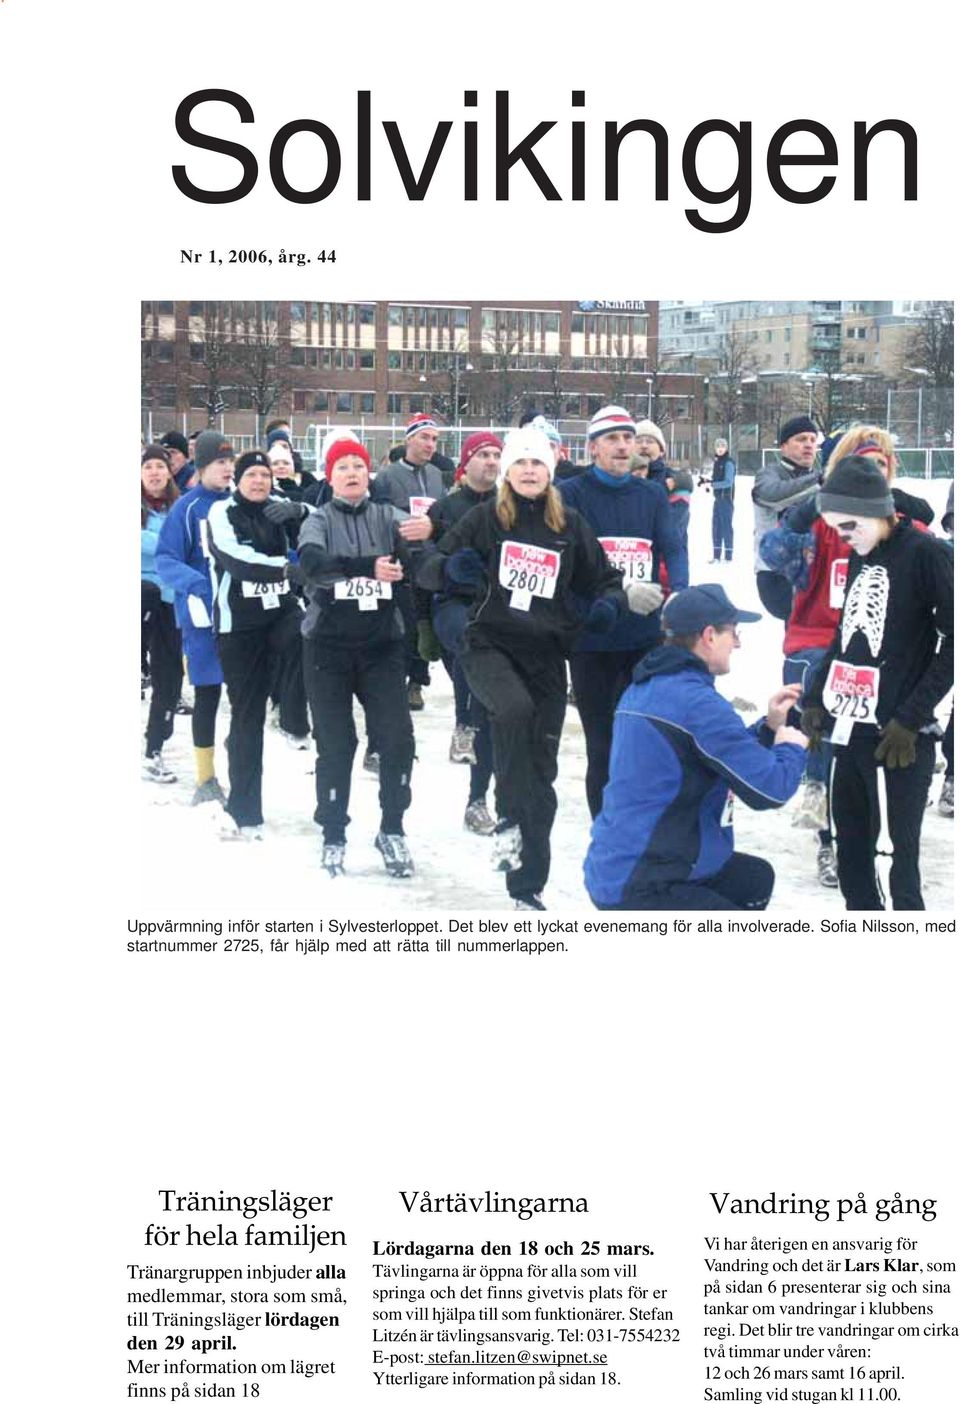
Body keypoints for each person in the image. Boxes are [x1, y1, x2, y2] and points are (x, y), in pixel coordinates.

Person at [417, 426, 628, 911]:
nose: (529, 471)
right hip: (487, 643)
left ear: (549, 471)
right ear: (508, 473)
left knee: (542, 775)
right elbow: (428, 566)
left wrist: (608, 607)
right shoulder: (483, 518)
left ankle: (527, 886)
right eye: (520, 464)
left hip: (547, 653)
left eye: (537, 464)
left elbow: (607, 580)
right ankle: (508, 817)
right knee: (512, 711)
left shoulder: (569, 524)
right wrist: (451, 571)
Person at [760, 425, 936, 890]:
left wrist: (914, 714)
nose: (871, 475)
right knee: (855, 850)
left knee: (899, 852)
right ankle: (826, 830)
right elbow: (774, 557)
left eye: (881, 467)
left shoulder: (913, 540)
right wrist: (818, 695)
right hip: (826, 660)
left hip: (890, 687)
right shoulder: (835, 529)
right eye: (861, 465)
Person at [584, 585, 809, 911]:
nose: (738, 643)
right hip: (644, 881)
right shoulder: (696, 703)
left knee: (754, 878)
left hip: (621, 864)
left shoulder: (649, 685)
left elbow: (712, 751)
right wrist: (791, 748)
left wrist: (769, 727)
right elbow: (768, 791)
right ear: (708, 636)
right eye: (733, 632)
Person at [802, 458, 953, 911]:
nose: (843, 536)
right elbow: (846, 635)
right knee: (853, 862)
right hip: (849, 732)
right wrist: (816, 698)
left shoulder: (926, 555)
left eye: (848, 525)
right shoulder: (858, 553)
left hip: (898, 741)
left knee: (893, 865)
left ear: (875, 511)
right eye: (835, 528)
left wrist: (911, 718)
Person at [296, 438, 433, 877]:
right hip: (327, 647)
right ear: (329, 476)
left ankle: (392, 828)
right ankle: (333, 831)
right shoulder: (318, 519)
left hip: (381, 647)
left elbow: (420, 540)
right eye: (343, 467)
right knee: (336, 744)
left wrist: (425, 537)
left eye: (359, 466)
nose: (353, 473)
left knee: (396, 739)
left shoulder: (385, 515)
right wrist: (367, 567)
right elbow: (313, 564)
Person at [557, 404, 689, 817]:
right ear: (593, 448)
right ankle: (606, 825)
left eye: (628, 438)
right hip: (593, 639)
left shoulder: (650, 494)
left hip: (642, 636)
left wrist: (681, 595)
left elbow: (672, 546)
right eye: (612, 439)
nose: (622, 446)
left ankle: (640, 819)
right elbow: (566, 562)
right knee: (602, 743)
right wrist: (615, 588)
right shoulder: (572, 495)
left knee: (642, 737)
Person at [205, 450, 307, 838]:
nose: (260, 481)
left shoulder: (280, 504)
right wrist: (284, 568)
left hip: (280, 611)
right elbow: (236, 558)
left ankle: (294, 719)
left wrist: (299, 510)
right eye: (252, 475)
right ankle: (245, 809)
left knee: (306, 635)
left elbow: (321, 519)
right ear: (239, 480)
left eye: (266, 475)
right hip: (239, 625)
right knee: (247, 716)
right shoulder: (221, 513)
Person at [426, 432, 503, 833]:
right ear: (466, 462)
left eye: (497, 455)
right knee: (472, 652)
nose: (491, 462)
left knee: (495, 705)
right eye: (484, 455)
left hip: (498, 609)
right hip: (455, 606)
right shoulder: (446, 507)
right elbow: (424, 564)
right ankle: (464, 723)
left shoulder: (509, 508)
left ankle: (486, 797)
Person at [155, 430, 235, 804]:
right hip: (202, 619)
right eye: (220, 462)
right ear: (201, 467)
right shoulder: (186, 508)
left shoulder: (238, 504)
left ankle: (243, 772)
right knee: (207, 694)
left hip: (240, 617)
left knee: (245, 696)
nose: (227, 468)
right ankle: (205, 777)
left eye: (230, 461)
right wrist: (197, 585)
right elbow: (166, 560)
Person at [372, 413, 447, 710]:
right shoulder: (389, 477)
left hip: (431, 559)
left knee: (425, 623)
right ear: (409, 440)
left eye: (434, 440)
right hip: (402, 560)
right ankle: (396, 677)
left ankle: (417, 681)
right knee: (405, 623)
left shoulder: (436, 476)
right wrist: (410, 521)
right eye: (424, 438)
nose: (430, 445)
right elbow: (380, 513)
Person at [752, 415, 821, 619]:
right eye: (801, 439)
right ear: (783, 446)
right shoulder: (768, 474)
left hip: (813, 570)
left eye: (812, 439)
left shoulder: (818, 478)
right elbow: (771, 495)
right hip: (775, 575)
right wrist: (820, 481)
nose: (808, 444)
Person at [141, 446, 181, 782]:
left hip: (172, 600)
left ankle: (155, 747)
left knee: (170, 680)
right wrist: (167, 544)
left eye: (160, 466)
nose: (154, 473)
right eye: (147, 466)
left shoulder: (179, 508)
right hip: (140, 596)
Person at [634, 418, 694, 544]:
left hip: (663, 561)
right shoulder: (617, 479)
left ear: (662, 450)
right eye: (638, 441)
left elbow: (669, 530)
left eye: (650, 441)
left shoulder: (678, 483)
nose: (644, 445)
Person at [709, 438, 736, 563]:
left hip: (726, 500)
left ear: (726, 448)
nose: (720, 449)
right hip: (717, 499)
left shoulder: (728, 463)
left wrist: (714, 485)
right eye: (718, 446)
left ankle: (728, 557)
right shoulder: (717, 462)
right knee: (716, 527)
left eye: (722, 446)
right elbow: (716, 479)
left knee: (726, 527)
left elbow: (728, 482)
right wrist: (708, 482)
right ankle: (716, 556)